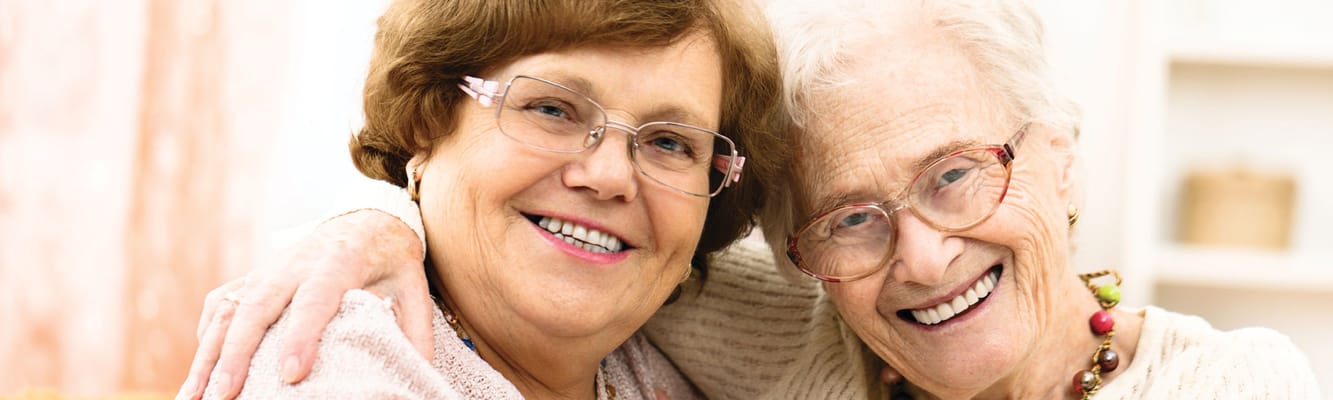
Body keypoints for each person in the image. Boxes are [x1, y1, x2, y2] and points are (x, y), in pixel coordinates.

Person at [184, 0, 1322, 399]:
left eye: (955, 174)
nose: (921, 257)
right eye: (851, 216)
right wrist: (366, 222)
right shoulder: (786, 332)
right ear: (790, 246)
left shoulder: (1237, 384)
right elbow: (558, 237)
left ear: (1061, 156)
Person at [178, 0, 788, 398]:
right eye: (551, 108)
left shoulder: (658, 366)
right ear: (427, 120)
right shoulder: (333, 359)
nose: (609, 177)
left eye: (669, 143)